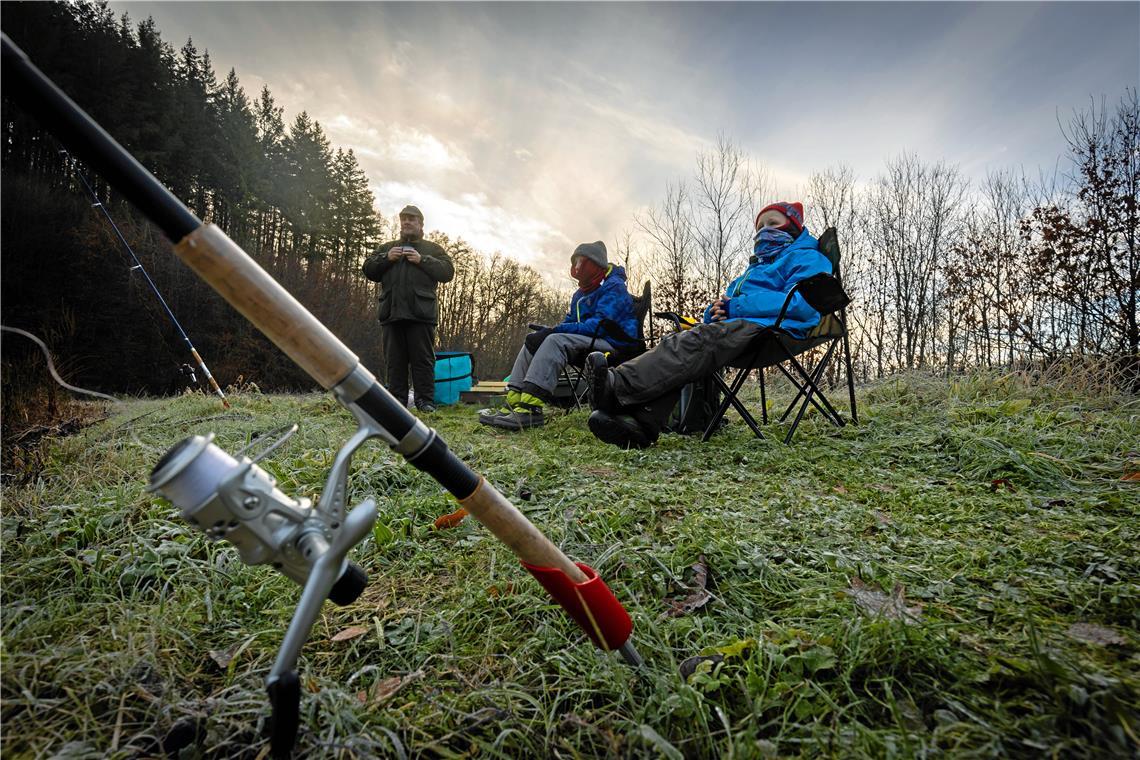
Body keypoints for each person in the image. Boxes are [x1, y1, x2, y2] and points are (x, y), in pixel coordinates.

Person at [586, 201, 832, 448]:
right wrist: (713, 313)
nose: (763, 231)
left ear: (793, 226)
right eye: (759, 226)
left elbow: (803, 303)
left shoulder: (808, 257)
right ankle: (640, 423)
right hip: (745, 328)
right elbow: (724, 303)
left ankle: (617, 386)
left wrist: (735, 308)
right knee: (687, 341)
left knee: (698, 341)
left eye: (772, 223)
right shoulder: (755, 269)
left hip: (779, 330)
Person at [479, 241, 638, 430]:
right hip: (591, 341)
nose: (577, 267)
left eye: (581, 262)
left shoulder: (614, 286)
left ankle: (530, 410)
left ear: (595, 264)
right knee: (534, 341)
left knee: (555, 340)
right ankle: (515, 404)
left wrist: (555, 332)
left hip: (614, 343)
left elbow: (600, 325)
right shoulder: (580, 294)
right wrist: (549, 329)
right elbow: (570, 322)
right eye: (575, 262)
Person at [362, 205, 455, 413]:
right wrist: (387, 258)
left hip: (421, 315)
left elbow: (448, 272)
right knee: (395, 362)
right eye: (404, 219)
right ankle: (396, 403)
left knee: (423, 361)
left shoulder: (432, 249)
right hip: (391, 314)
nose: (406, 222)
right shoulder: (387, 248)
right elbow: (368, 268)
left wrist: (423, 260)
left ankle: (425, 402)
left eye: (412, 219)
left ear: (421, 223)